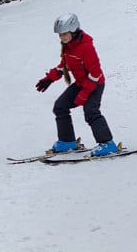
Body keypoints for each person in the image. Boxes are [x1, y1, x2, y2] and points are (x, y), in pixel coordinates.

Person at [35, 13, 118, 157]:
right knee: (60, 106)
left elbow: (95, 73)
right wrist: (49, 79)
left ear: (73, 31)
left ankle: (107, 144)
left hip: (95, 84)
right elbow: (63, 66)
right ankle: (68, 142)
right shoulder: (68, 47)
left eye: (65, 34)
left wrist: (84, 94)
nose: (62, 37)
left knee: (91, 111)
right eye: (60, 35)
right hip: (80, 84)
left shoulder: (86, 47)